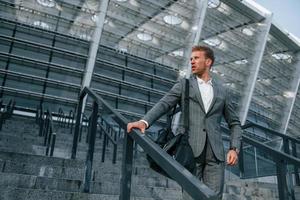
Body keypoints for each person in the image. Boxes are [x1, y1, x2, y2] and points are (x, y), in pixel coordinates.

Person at [127, 45, 242, 200]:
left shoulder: (222, 91)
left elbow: (234, 122)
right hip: (190, 151)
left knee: (215, 198)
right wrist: (144, 122)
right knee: (189, 196)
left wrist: (234, 148)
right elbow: (164, 103)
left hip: (216, 155)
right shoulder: (184, 85)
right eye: (191, 59)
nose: (192, 62)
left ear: (208, 62)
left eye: (196, 58)